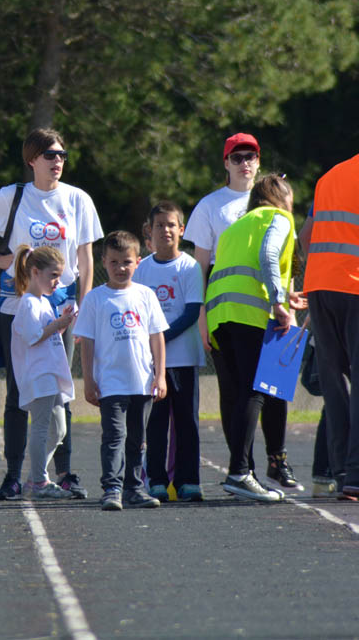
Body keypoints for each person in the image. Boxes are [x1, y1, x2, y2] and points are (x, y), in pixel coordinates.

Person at [0, 128, 103, 501]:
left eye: (61, 155)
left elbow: (85, 257)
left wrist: (84, 306)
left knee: (60, 391)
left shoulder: (77, 199)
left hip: (63, 308)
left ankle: (63, 473)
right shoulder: (14, 195)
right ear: (32, 160)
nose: (57, 161)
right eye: (49, 155)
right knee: (18, 393)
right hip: (18, 307)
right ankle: (13, 477)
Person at [184, 134, 299, 489]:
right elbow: (201, 268)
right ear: (226, 163)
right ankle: (241, 467)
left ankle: (273, 460)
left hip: (253, 304)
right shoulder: (214, 207)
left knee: (273, 386)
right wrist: (200, 317)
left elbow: (283, 265)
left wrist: (287, 302)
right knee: (240, 391)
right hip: (247, 306)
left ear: (259, 163)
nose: (244, 162)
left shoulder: (250, 217)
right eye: (237, 157)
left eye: (250, 156)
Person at [205, 174, 306, 502]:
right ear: (281, 197)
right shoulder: (280, 218)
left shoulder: (237, 225)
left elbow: (237, 267)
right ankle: (239, 473)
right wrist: (278, 300)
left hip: (220, 313)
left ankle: (246, 469)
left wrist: (282, 295)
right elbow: (268, 254)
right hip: (250, 313)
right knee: (255, 391)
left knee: (239, 394)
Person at [75, 231, 168, 511]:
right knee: (114, 437)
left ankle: (134, 488)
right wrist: (88, 380)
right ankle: (112, 488)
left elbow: (157, 337)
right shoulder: (94, 299)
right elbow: (87, 343)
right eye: (114, 262)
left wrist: (160, 375)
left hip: (141, 382)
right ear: (104, 262)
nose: (120, 268)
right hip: (110, 384)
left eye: (126, 262)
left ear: (138, 262)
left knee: (138, 440)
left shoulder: (146, 295)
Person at [133, 202, 205, 502]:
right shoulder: (143, 269)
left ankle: (189, 481)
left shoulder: (189, 266)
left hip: (184, 358)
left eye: (171, 224)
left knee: (187, 421)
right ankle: (157, 481)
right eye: (160, 225)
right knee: (156, 424)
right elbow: (138, 311)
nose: (166, 230)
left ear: (181, 230)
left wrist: (159, 338)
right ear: (150, 230)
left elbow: (190, 313)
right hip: (153, 364)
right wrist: (151, 347)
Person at [301, 153, 359, 502]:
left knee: (335, 384)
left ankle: (341, 472)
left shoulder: (331, 176)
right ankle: (355, 474)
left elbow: (307, 237)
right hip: (354, 286)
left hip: (320, 287)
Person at [9, 246, 76, 500]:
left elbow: (45, 335)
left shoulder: (43, 302)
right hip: (38, 375)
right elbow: (32, 336)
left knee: (59, 429)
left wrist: (61, 325)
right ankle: (39, 481)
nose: (57, 281)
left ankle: (35, 477)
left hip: (49, 372)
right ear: (35, 272)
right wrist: (57, 325)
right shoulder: (27, 303)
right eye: (53, 275)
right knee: (41, 427)